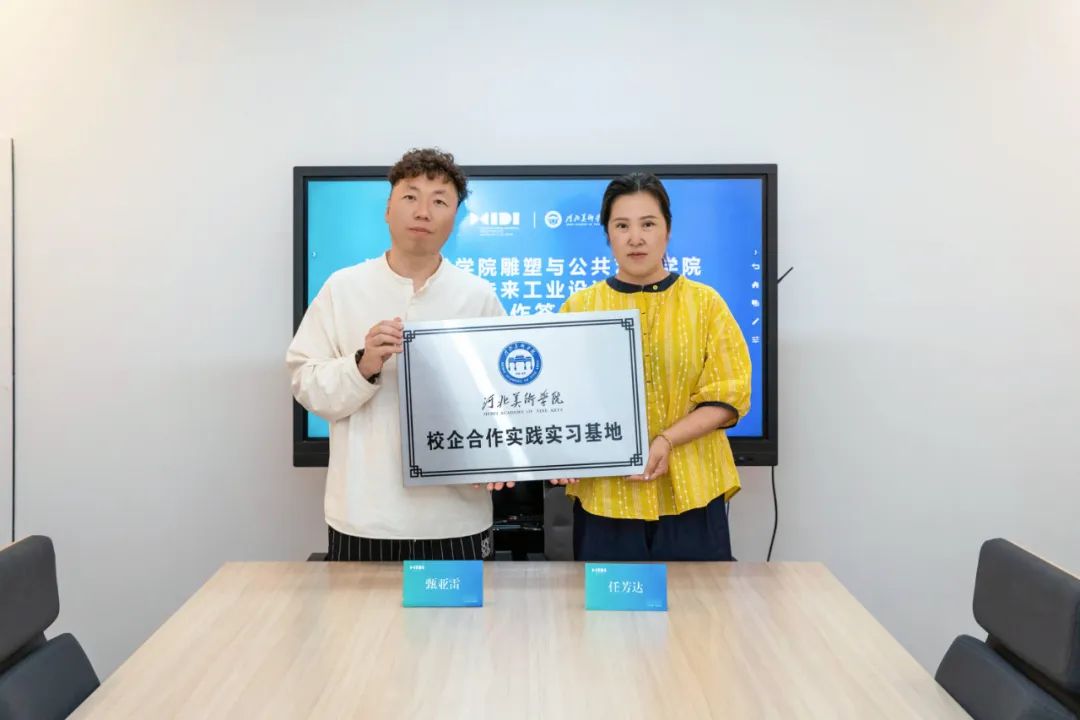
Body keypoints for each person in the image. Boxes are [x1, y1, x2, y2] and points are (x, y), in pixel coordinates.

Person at [287, 148, 506, 561]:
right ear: (388, 209)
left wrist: (503, 459)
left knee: (462, 609)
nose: (423, 211)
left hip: (456, 517)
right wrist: (363, 365)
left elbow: (502, 401)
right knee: (358, 609)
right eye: (410, 197)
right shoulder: (343, 288)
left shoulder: (478, 296)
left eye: (439, 201)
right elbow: (305, 381)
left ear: (455, 218)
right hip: (364, 517)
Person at [553, 172, 752, 561]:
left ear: (667, 231)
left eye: (647, 224)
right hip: (606, 496)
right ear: (608, 234)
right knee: (610, 602)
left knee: (697, 601)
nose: (635, 238)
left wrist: (666, 440)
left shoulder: (706, 304)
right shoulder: (579, 308)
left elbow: (730, 393)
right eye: (622, 226)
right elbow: (560, 399)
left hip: (693, 491)